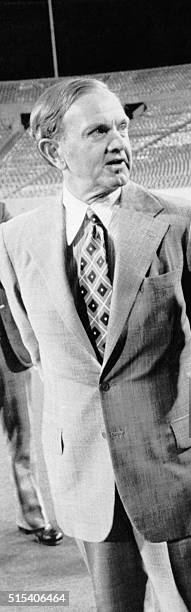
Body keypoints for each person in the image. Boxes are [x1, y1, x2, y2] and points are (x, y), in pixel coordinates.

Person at [0, 77, 191, 611]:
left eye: (123, 127)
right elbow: (32, 355)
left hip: (176, 474)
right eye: (99, 130)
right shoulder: (16, 242)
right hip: (87, 478)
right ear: (53, 151)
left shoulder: (177, 220)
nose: (119, 142)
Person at [0, 204, 63, 546]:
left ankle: (32, 516)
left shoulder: (1, 213)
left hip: (6, 349)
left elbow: (15, 262)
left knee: (21, 440)